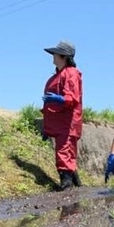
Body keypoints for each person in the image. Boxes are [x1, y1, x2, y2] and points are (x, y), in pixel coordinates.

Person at [41, 40, 83, 191]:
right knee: (67, 154)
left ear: (63, 56)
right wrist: (47, 127)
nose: (53, 56)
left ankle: (66, 188)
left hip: (67, 123)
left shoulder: (71, 74)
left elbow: (72, 99)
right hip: (59, 123)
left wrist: (59, 99)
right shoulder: (56, 76)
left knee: (64, 153)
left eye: (55, 54)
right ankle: (77, 186)